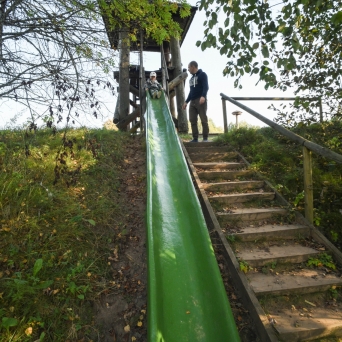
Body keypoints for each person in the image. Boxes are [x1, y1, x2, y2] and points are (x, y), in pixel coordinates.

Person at [182, 61, 209, 142]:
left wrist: (203, 96)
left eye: (189, 67)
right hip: (192, 102)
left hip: (200, 100)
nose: (188, 69)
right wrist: (186, 102)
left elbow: (206, 86)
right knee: (192, 119)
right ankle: (195, 138)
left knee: (203, 119)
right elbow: (191, 92)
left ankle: (205, 138)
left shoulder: (202, 74)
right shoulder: (191, 79)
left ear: (193, 67)